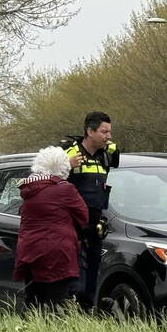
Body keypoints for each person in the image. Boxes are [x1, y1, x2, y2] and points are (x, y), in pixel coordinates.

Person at [13, 146, 88, 314]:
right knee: (58, 302)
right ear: (64, 167)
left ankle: (32, 328)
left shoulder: (29, 188)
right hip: (57, 252)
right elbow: (83, 216)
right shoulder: (65, 189)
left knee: (33, 301)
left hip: (30, 251)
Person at [60, 112, 119, 311]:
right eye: (104, 132)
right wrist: (66, 165)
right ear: (89, 131)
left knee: (92, 274)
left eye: (109, 132)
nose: (108, 136)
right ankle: (69, 311)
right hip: (71, 226)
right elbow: (46, 178)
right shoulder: (68, 152)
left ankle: (87, 312)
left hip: (95, 225)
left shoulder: (106, 155)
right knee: (74, 276)